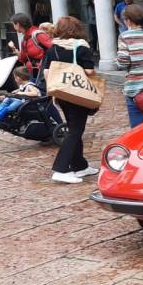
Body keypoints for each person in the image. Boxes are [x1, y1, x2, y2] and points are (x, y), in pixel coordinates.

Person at [38, 16, 98, 184]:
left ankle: (80, 165)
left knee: (74, 128)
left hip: (62, 94)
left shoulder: (53, 48)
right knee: (75, 131)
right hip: (78, 93)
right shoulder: (82, 47)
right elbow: (90, 71)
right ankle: (61, 168)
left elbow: (46, 72)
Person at [8, 13, 53, 81]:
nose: (13, 26)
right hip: (34, 73)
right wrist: (14, 48)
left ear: (17, 24)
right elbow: (23, 59)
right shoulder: (25, 39)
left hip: (45, 73)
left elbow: (54, 48)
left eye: (13, 24)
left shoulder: (37, 34)